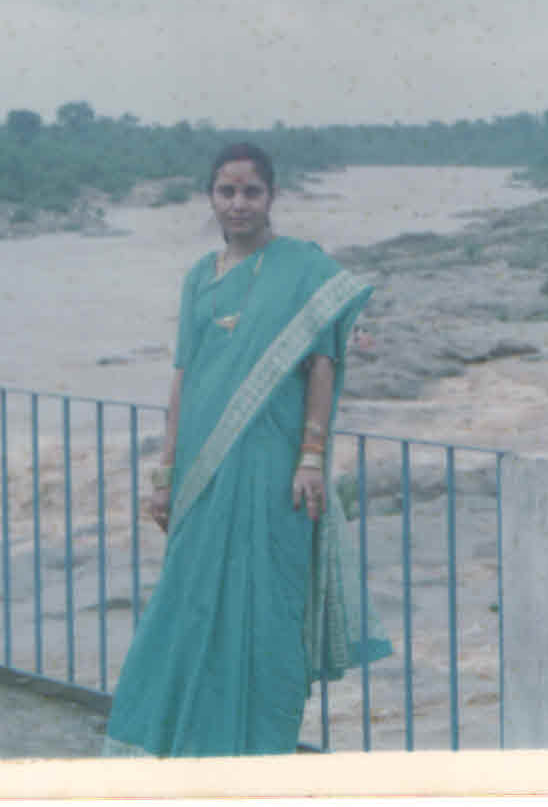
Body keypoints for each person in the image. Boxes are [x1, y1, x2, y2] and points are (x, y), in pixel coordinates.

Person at [105, 143, 390, 757]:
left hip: (272, 470)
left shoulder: (303, 269)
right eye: (226, 191)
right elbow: (183, 377)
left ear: (272, 196)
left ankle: (259, 755)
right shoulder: (198, 278)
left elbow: (321, 364)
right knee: (187, 606)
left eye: (250, 191)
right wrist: (165, 473)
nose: (238, 203)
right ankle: (179, 748)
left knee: (268, 612)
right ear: (210, 197)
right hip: (202, 470)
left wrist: (311, 457)